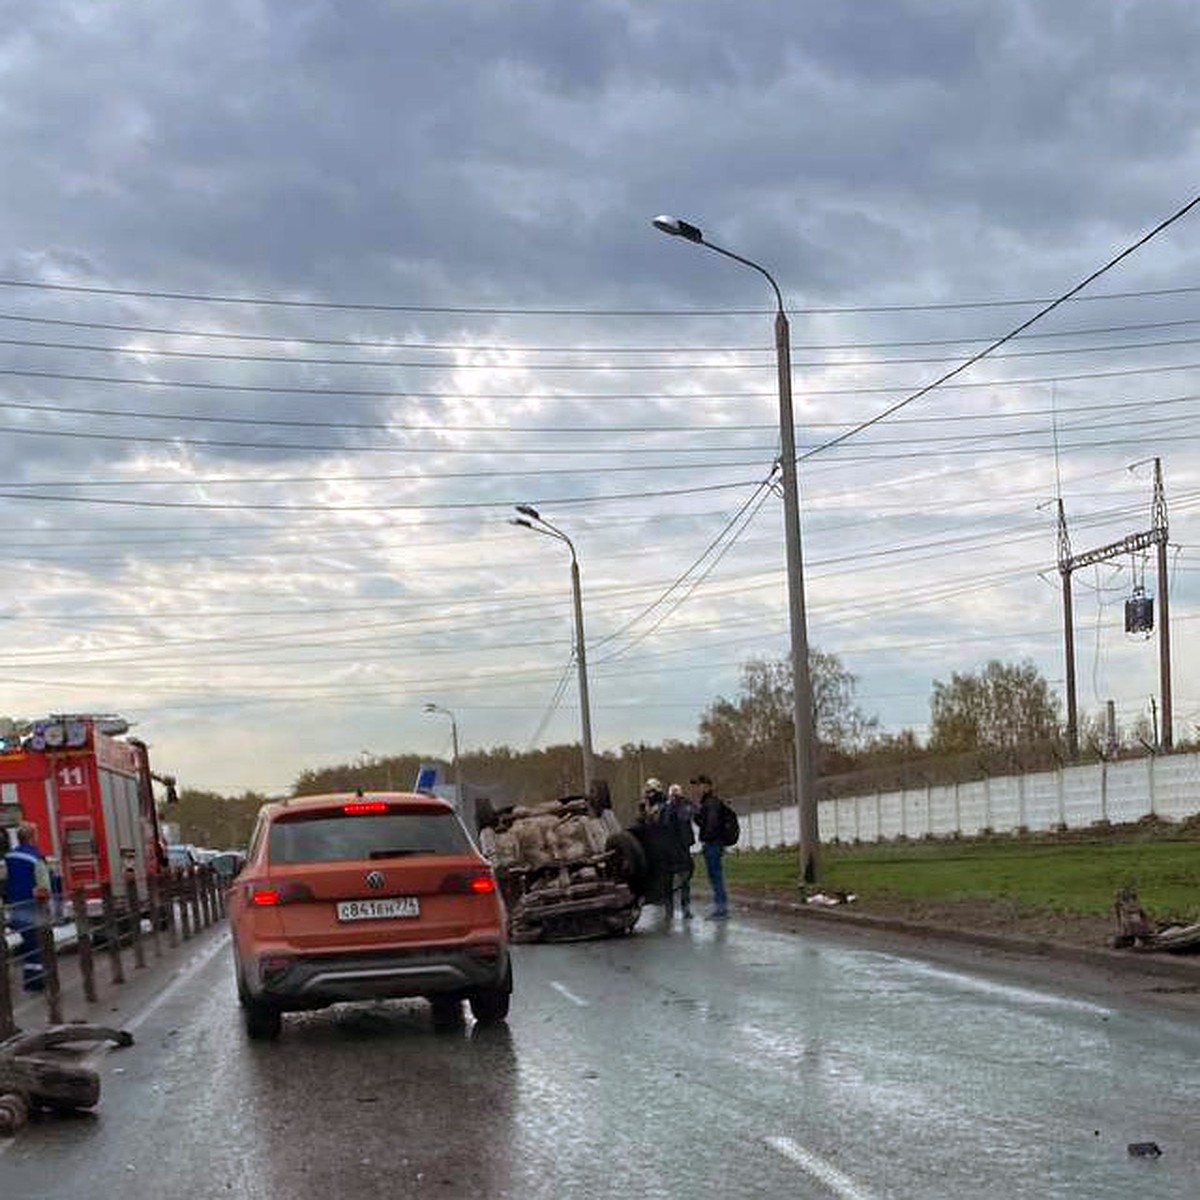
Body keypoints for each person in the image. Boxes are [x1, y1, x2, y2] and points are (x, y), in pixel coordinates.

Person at [3, 821, 53, 992]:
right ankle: (36, 981)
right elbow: (44, 886)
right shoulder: (36, 857)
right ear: (32, 837)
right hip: (32, 906)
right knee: (37, 943)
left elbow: (4, 879)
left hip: (14, 906)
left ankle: (33, 979)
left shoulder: (9, 856)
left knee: (29, 943)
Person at [692, 774, 729, 920]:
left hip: (713, 843)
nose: (697, 788)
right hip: (712, 843)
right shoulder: (707, 803)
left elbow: (711, 825)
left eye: (700, 785)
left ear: (707, 786)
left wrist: (707, 838)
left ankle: (721, 909)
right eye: (696, 786)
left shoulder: (712, 803)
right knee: (714, 875)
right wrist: (697, 816)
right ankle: (720, 907)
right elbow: (705, 822)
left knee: (716, 876)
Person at [661, 783, 696, 919]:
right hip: (671, 848)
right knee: (669, 880)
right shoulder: (667, 808)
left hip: (681, 848)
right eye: (674, 795)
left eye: (677, 795)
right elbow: (663, 824)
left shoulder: (684, 807)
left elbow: (692, 813)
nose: (675, 798)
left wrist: (683, 803)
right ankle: (670, 910)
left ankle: (684, 908)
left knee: (684, 879)